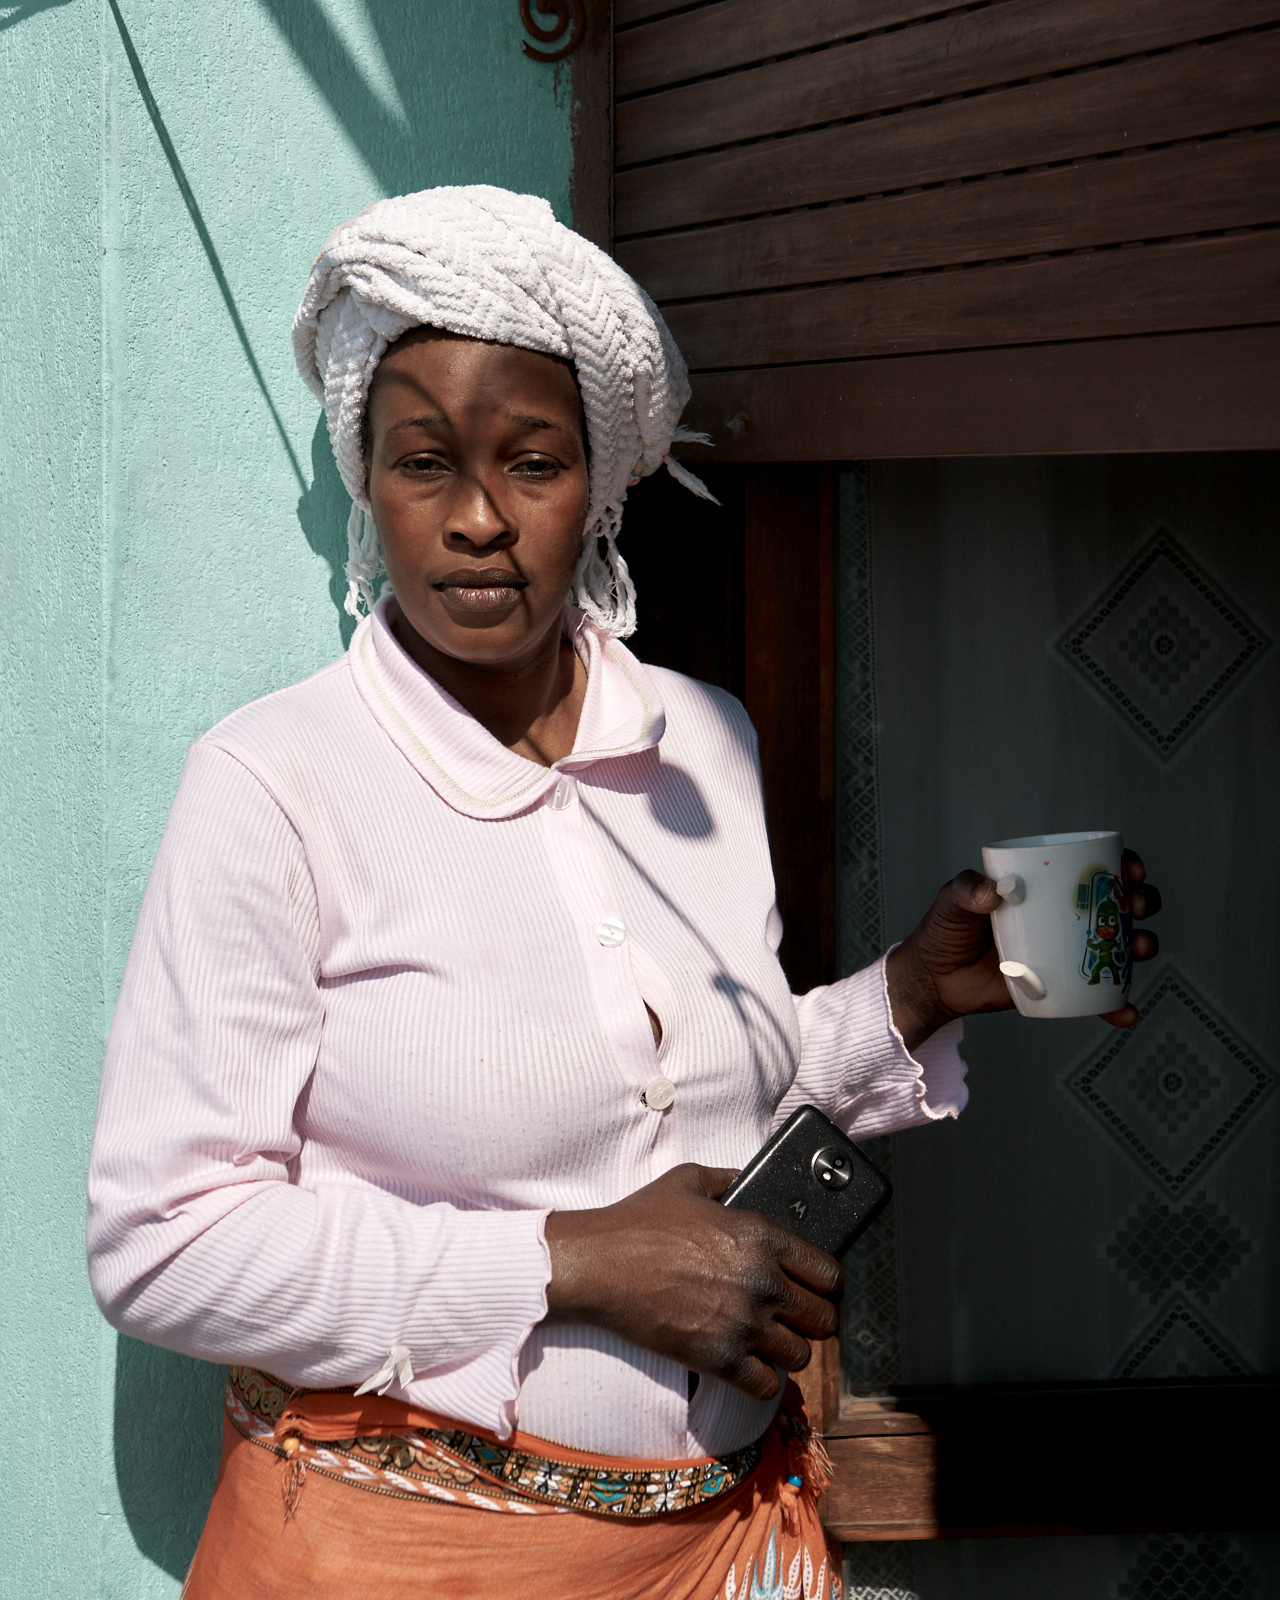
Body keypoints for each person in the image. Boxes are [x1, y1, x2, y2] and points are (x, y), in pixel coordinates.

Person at [86, 187, 1161, 1599]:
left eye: (531, 462)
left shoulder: (701, 743)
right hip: (403, 1563)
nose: (478, 520)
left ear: (596, 484)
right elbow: (163, 1247)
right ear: (369, 480)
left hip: (721, 1544)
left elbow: (692, 1097)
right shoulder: (275, 785)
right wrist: (569, 1263)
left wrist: (908, 997)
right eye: (424, 463)